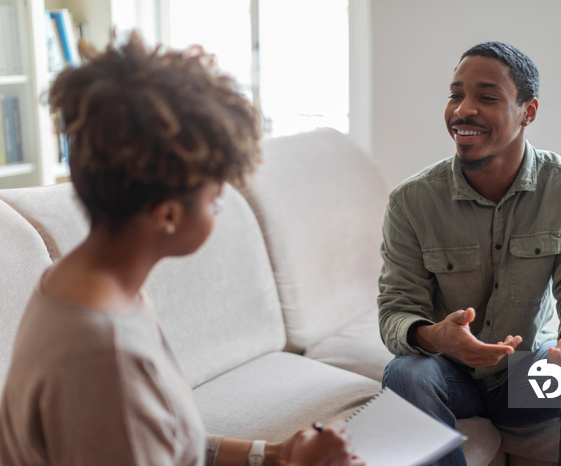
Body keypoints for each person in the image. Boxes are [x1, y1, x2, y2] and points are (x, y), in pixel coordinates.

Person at [0, 33, 361, 466]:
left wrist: (274, 457)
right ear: (169, 215)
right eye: (214, 197)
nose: (220, 207)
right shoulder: (106, 355)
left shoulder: (86, 286)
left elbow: (164, 435)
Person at [378, 41, 561, 466]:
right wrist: (434, 336)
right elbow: (396, 309)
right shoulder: (411, 201)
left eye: (486, 97)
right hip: (449, 373)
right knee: (404, 374)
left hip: (527, 372)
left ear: (528, 112)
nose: (462, 110)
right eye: (456, 94)